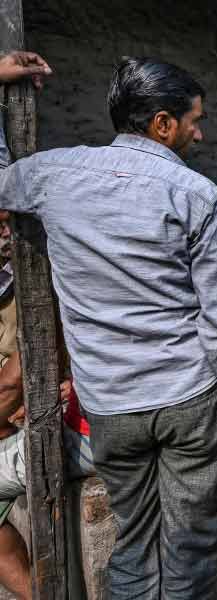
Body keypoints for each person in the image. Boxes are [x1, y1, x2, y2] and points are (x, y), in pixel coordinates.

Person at [0, 53, 217, 599]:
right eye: (194, 120)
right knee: (189, 552)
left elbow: (1, 182)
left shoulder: (54, 173)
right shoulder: (196, 195)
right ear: (162, 124)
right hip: (189, 399)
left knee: (135, 547)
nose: (199, 132)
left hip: (111, 408)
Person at [0, 210, 94, 600]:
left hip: (95, 429)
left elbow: (16, 381)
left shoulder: (43, 276)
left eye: (6, 222)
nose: (5, 232)